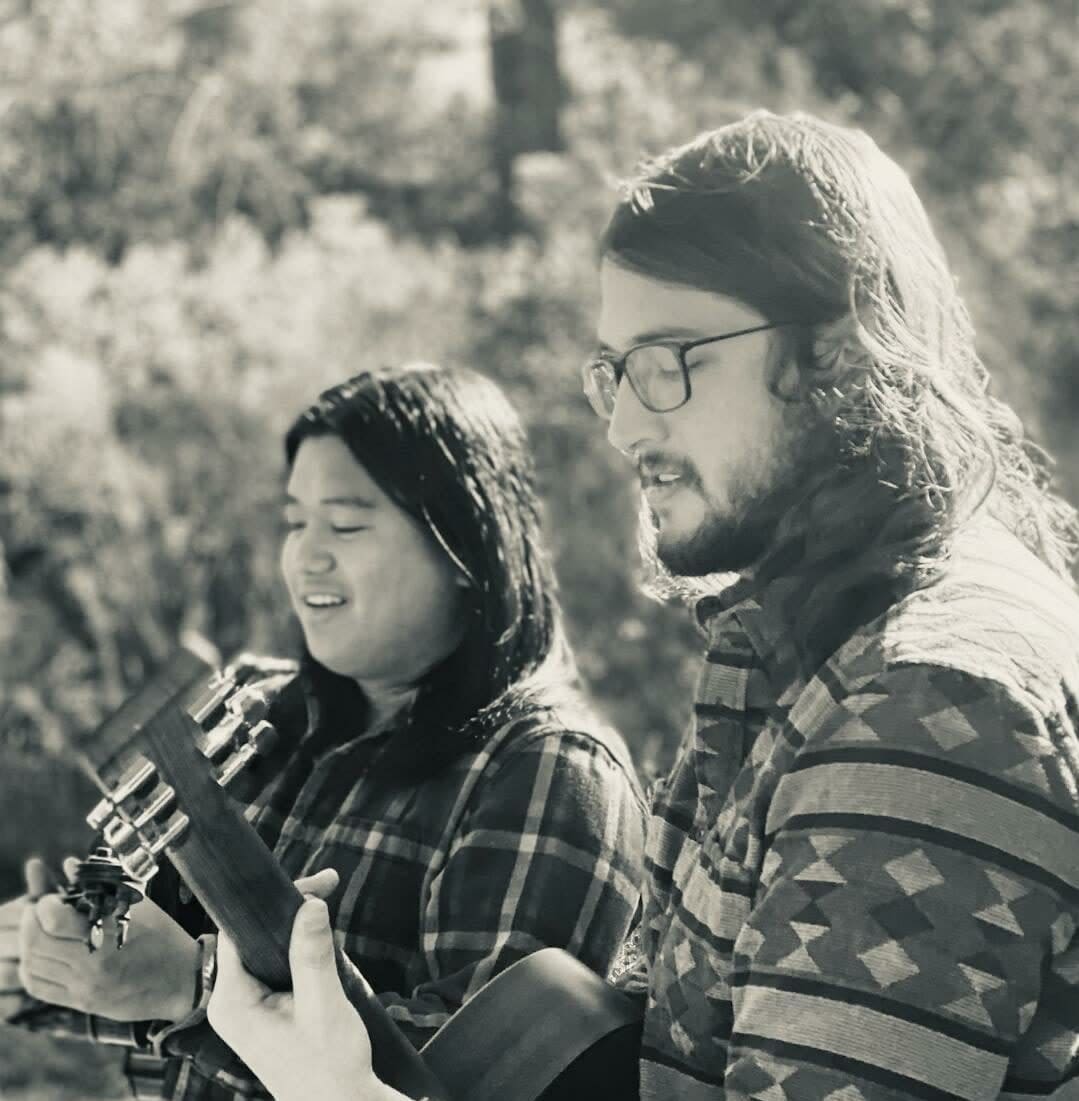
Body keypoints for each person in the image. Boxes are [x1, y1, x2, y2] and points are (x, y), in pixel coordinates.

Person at [203, 110, 1079, 1100]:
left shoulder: (922, 712)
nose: (623, 427)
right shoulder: (800, 648)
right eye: (613, 374)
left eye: (667, 365)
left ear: (835, 351)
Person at [0, 363, 646, 1099]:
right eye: (294, 521)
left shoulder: (551, 769)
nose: (306, 556)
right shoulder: (248, 704)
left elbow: (475, 1078)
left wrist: (195, 989)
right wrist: (57, 959)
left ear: (466, 549)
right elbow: (143, 981)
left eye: (344, 524)